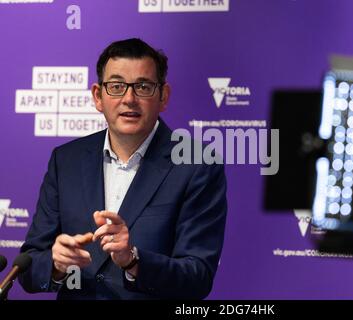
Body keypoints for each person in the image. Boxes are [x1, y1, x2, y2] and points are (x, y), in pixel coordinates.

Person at [18, 38, 227, 300]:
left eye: (143, 87)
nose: (129, 99)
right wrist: (57, 265)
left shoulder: (197, 165)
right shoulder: (65, 160)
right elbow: (28, 268)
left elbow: (197, 278)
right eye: (116, 86)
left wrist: (133, 260)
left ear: (163, 96)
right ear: (98, 96)